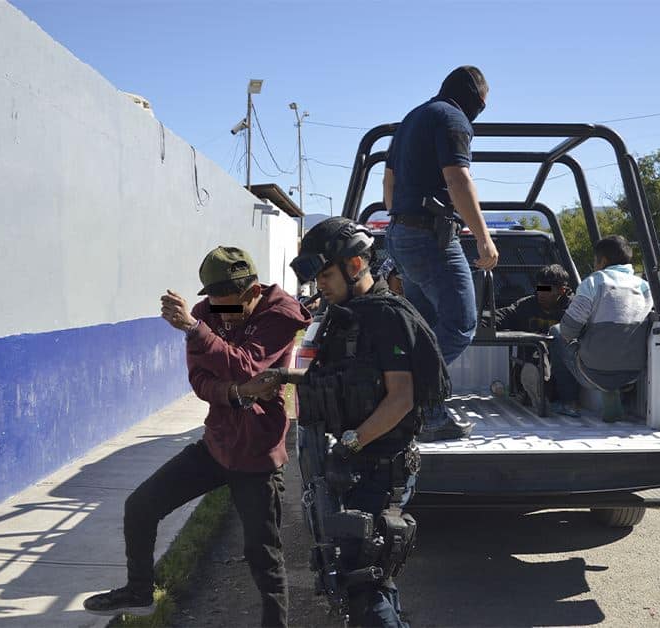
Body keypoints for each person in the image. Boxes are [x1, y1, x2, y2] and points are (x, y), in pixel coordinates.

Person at [83, 246, 311, 626]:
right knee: (140, 506)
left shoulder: (280, 314)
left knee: (264, 556)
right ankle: (140, 591)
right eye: (212, 304)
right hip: (218, 443)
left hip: (257, 451)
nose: (218, 312)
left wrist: (197, 331)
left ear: (253, 291)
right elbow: (201, 378)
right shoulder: (209, 312)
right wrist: (238, 392)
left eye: (228, 304)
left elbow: (246, 364)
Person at [280, 217, 450, 627]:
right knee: (363, 573)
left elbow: (401, 400)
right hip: (346, 465)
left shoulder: (386, 316)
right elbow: (310, 374)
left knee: (364, 578)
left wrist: (349, 446)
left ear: (355, 266)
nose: (319, 284)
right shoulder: (337, 316)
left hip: (379, 467)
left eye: (325, 274)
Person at [383, 65, 497, 441]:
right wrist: (483, 237)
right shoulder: (453, 118)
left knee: (425, 327)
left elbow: (389, 182)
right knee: (461, 324)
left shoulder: (411, 118)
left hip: (402, 235)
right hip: (430, 238)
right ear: (474, 97)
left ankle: (423, 408)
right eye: (483, 103)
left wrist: (400, 220)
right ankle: (410, 400)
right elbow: (457, 178)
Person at [549, 235, 654, 421]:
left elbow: (568, 331)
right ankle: (613, 394)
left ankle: (568, 402)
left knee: (556, 332)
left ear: (602, 261)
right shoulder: (645, 287)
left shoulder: (594, 282)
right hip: (633, 373)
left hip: (593, 372)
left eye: (595, 261)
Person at [492, 264, 581, 415]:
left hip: (561, 371)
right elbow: (502, 316)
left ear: (562, 290)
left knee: (555, 344)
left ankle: (543, 395)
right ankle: (535, 392)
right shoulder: (527, 305)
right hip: (531, 363)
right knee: (536, 350)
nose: (541, 294)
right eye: (540, 288)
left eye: (547, 289)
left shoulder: (575, 308)